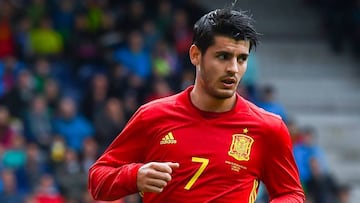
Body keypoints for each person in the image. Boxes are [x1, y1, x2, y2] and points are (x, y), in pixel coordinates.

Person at [88, 7, 305, 203]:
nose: (233, 68)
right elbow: (98, 180)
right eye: (223, 56)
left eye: (241, 59)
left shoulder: (269, 128)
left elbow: (291, 193)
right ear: (195, 55)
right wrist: (135, 176)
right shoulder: (152, 115)